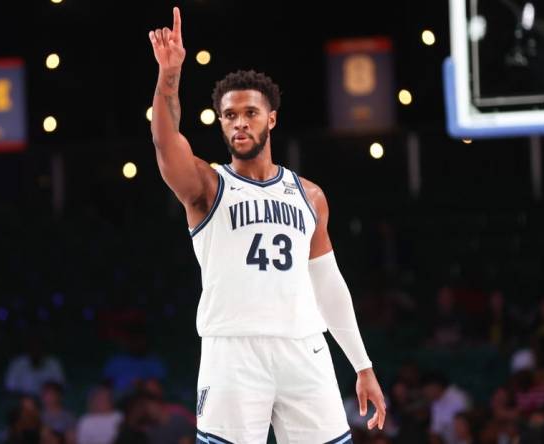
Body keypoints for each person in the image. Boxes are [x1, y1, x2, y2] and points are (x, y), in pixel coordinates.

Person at [148, 7, 385, 443]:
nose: (240, 122)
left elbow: (329, 284)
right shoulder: (207, 185)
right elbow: (165, 141)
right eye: (230, 115)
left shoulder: (309, 195)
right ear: (221, 122)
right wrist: (170, 75)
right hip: (233, 350)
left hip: (303, 346)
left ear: (271, 118)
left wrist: (362, 364)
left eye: (250, 113)